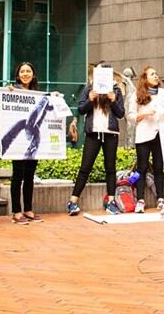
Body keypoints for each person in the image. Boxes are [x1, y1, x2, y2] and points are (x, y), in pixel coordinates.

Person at [67, 62, 125, 216]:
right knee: (85, 167)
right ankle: (72, 201)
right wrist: (90, 99)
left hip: (110, 133)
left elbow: (120, 114)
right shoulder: (89, 88)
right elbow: (80, 109)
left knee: (110, 168)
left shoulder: (116, 90)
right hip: (93, 133)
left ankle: (111, 202)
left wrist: (113, 101)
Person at [126, 66, 164, 213]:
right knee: (142, 168)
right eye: (152, 74)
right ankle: (140, 200)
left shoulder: (163, 95)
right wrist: (145, 113)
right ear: (145, 78)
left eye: (156, 73)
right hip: (144, 135)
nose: (156, 76)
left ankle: (161, 199)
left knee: (159, 167)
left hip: (160, 134)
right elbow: (131, 117)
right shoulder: (137, 95)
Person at [5, 61, 46, 224]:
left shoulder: (38, 94)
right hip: (18, 141)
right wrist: (8, 91)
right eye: (22, 71)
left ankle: (28, 209)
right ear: (17, 75)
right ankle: (16, 212)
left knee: (29, 175)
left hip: (33, 142)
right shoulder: (13, 91)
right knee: (18, 175)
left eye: (28, 71)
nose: (25, 74)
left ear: (33, 75)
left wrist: (54, 96)